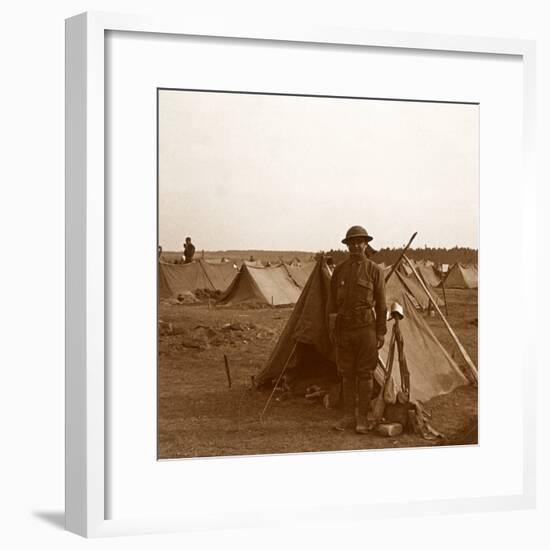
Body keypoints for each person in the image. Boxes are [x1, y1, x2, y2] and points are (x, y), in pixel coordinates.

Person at [326, 225, 387, 434]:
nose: (355, 245)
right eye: (351, 242)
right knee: (346, 374)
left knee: (365, 375)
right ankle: (348, 417)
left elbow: (382, 305)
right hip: (344, 331)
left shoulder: (374, 271)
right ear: (347, 245)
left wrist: (381, 332)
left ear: (366, 243)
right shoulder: (340, 271)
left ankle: (362, 417)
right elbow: (331, 304)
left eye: (359, 241)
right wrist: (333, 329)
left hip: (366, 330)